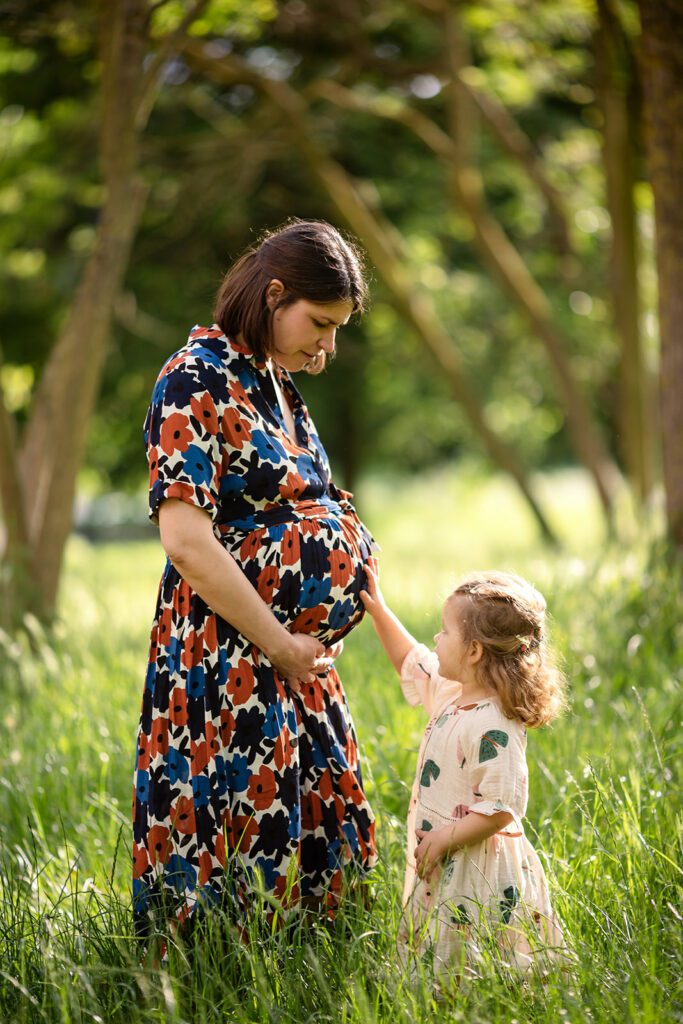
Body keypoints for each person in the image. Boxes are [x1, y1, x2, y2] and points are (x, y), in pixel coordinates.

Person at [132, 220, 378, 943]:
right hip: (230, 654)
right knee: (238, 845)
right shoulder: (193, 376)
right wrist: (277, 644)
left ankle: (308, 971)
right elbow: (185, 540)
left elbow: (313, 508)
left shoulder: (273, 382)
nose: (327, 347)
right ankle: (220, 982)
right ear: (275, 295)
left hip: (292, 659)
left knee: (318, 835)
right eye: (320, 324)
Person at [360, 566, 567, 982]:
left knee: (475, 956)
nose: (435, 639)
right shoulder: (454, 694)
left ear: (473, 651)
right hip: (444, 855)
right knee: (442, 946)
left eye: (444, 632)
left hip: (475, 865)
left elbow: (501, 808)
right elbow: (411, 660)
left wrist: (443, 838)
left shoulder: (494, 724)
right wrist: (377, 609)